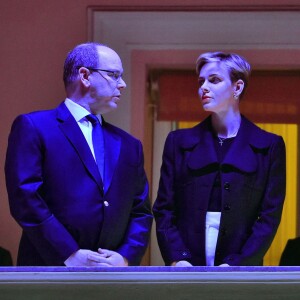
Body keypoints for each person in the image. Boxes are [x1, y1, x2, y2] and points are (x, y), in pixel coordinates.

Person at [5, 42, 153, 266]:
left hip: (113, 278)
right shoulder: (34, 127)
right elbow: (24, 197)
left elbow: (141, 211)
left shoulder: (130, 144)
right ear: (84, 75)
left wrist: (125, 257)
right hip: (49, 271)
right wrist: (68, 254)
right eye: (114, 75)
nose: (122, 84)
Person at [153, 52, 286, 266]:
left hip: (241, 269)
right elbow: (164, 208)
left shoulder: (269, 146)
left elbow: (269, 217)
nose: (203, 87)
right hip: (185, 267)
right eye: (201, 81)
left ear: (237, 87)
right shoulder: (178, 142)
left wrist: (240, 263)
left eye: (214, 80)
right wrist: (178, 258)